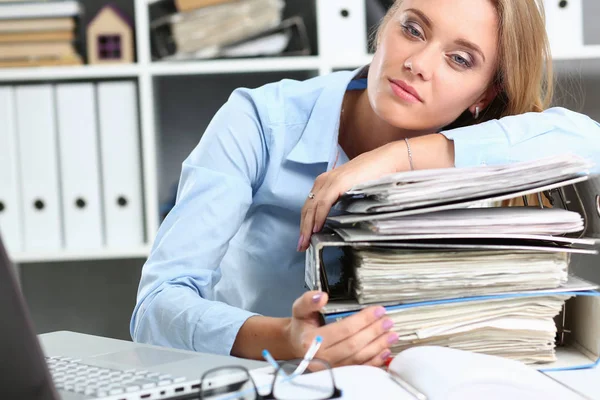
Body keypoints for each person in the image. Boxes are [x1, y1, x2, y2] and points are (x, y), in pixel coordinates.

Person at [131, 0, 600, 368]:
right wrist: (288, 339)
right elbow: (155, 307)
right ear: (385, 25)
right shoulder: (260, 121)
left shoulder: (481, 147)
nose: (418, 62)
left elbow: (588, 141)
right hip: (270, 378)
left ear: (484, 96)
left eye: (459, 59)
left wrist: (397, 158)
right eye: (413, 29)